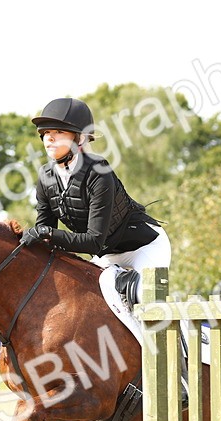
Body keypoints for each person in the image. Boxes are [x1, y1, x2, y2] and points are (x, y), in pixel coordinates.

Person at [20, 97, 167, 307]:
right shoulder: (46, 177)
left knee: (147, 301)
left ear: (79, 139)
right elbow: (46, 235)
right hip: (108, 257)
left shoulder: (99, 173)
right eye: (45, 133)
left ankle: (194, 338)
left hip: (144, 248)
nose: (49, 138)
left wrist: (45, 233)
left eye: (59, 132)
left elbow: (93, 241)